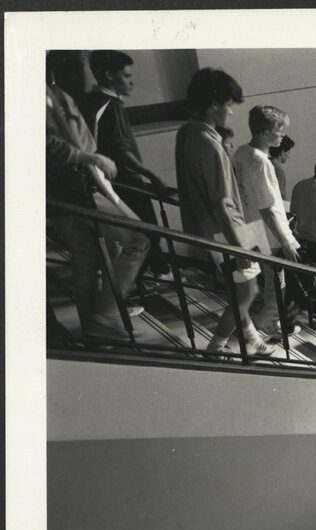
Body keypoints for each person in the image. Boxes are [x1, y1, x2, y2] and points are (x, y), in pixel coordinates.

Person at [46, 50, 149, 341]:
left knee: (88, 260)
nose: (86, 72)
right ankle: (102, 320)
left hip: (79, 191)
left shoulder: (63, 97)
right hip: (72, 193)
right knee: (136, 239)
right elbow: (51, 145)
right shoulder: (48, 98)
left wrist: (95, 166)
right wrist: (90, 160)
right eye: (80, 65)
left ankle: (96, 328)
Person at [175, 68, 278, 356]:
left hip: (211, 227)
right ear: (214, 103)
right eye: (229, 105)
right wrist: (240, 247)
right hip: (229, 229)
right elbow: (222, 202)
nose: (231, 113)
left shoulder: (186, 132)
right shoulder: (211, 145)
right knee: (247, 292)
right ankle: (216, 347)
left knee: (239, 291)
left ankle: (252, 339)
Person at [84, 50, 171, 278]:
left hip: (111, 182)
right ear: (109, 76)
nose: (132, 81)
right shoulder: (111, 105)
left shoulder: (93, 100)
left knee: (140, 237)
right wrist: (152, 176)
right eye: (126, 75)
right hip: (124, 181)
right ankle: (136, 285)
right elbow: (121, 152)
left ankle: (152, 275)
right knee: (147, 234)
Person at [231, 105, 302, 340]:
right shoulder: (262, 162)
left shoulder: (241, 152)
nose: (282, 134)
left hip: (249, 226)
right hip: (267, 233)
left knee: (261, 279)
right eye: (279, 130)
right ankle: (265, 321)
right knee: (276, 280)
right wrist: (286, 241)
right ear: (264, 132)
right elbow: (268, 208)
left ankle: (265, 321)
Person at [268, 134, 294, 200]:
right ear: (282, 152)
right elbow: (279, 196)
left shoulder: (264, 163)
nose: (289, 157)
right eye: (288, 153)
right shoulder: (279, 171)